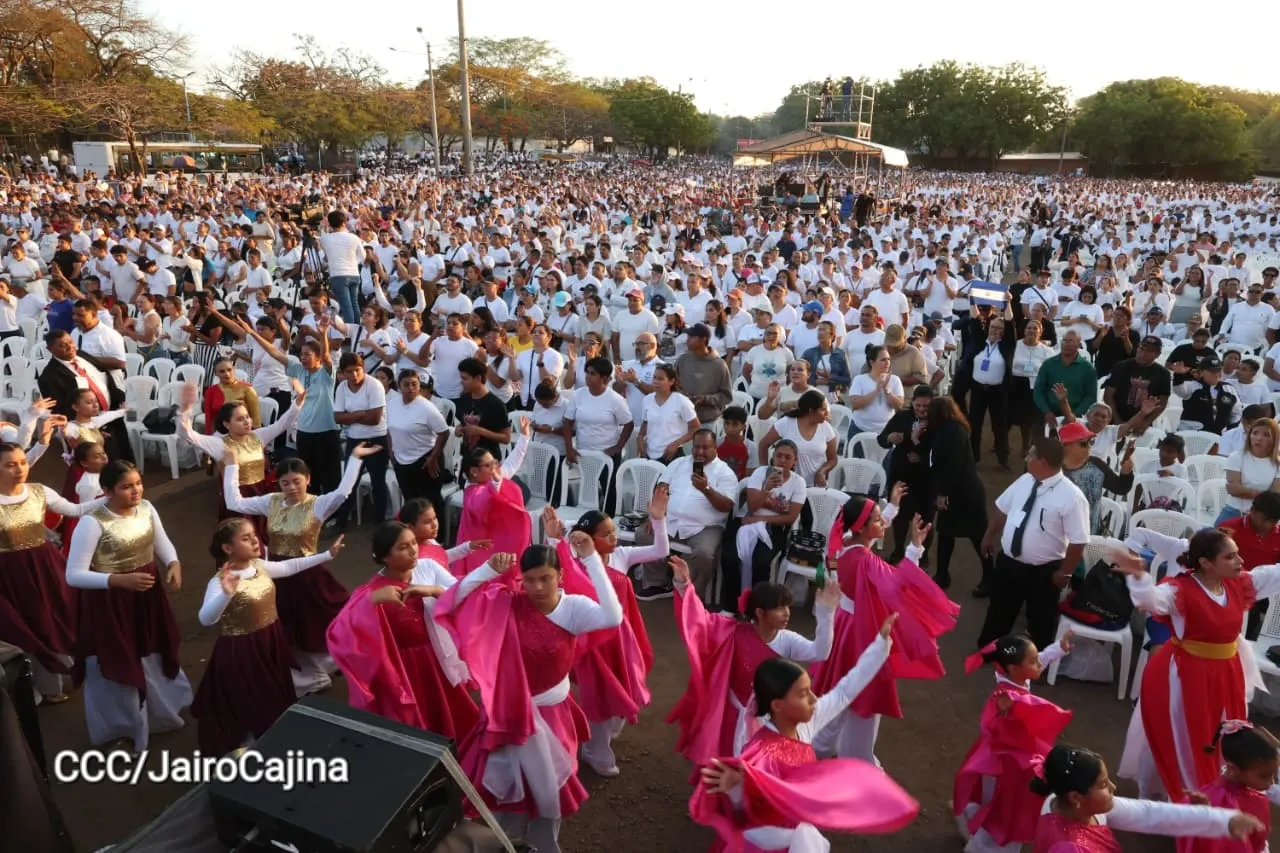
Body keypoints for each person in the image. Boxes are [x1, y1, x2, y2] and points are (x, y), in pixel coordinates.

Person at [433, 539, 623, 853]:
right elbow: (452, 603)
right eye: (529, 579)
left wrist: (591, 560)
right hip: (507, 712)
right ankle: (506, 844)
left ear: (560, 576)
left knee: (547, 792)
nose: (537, 587)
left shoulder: (573, 608)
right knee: (506, 785)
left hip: (552, 714)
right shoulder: (506, 602)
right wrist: (485, 570)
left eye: (545, 578)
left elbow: (612, 617)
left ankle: (544, 846)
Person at [689, 619, 920, 852]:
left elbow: (843, 692)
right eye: (802, 693)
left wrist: (880, 645)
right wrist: (736, 789)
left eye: (810, 689)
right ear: (778, 705)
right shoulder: (760, 753)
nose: (813, 698)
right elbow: (749, 813)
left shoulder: (805, 724)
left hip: (795, 832)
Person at [1113, 528, 1280, 801]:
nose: (1240, 561)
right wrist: (1138, 576)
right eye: (1231, 557)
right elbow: (1150, 600)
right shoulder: (1180, 589)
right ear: (1205, 562)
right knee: (1181, 734)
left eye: (1238, 555)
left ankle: (1216, 790)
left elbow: (1276, 573)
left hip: (1227, 673)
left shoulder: (1240, 582)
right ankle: (1181, 796)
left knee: (1220, 736)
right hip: (1185, 675)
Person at [810, 492, 958, 764]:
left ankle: (820, 750)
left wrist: (890, 508)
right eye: (877, 520)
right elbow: (899, 584)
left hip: (843, 625)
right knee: (863, 699)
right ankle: (858, 760)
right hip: (861, 632)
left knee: (838, 694)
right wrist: (915, 547)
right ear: (862, 527)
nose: (884, 524)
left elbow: (874, 532)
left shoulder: (842, 544)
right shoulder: (866, 561)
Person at [65, 461, 190, 750]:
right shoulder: (93, 522)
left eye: (138, 483)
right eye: (126, 486)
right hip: (109, 602)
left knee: (151, 650)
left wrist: (173, 563)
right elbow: (73, 574)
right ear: (107, 491)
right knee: (117, 657)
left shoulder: (146, 507)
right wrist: (117, 582)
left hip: (145, 595)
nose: (135, 491)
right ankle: (121, 725)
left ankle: (160, 713)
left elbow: (161, 542)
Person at [541, 495, 669, 778]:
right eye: (606, 534)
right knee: (599, 695)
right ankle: (596, 752)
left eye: (614, 531)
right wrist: (553, 541)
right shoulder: (574, 563)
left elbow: (661, 549)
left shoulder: (621, 556)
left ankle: (602, 736)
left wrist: (658, 519)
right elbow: (557, 567)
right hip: (592, 643)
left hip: (621, 639)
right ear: (586, 540)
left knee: (623, 691)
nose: (614, 537)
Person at [192, 519, 345, 756]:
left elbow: (288, 568)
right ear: (227, 548)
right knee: (251, 695)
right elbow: (205, 619)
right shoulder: (219, 581)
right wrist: (225, 594)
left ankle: (272, 734)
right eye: (245, 538)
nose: (255, 540)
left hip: (270, 639)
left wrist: (326, 555)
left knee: (275, 688)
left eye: (254, 535)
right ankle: (252, 744)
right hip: (242, 648)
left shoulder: (259, 566)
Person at [667, 562, 837, 770]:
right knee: (723, 765)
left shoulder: (787, 640)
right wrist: (684, 585)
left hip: (765, 719)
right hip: (731, 710)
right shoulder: (732, 631)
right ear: (759, 612)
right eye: (779, 608)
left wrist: (826, 615)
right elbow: (699, 620)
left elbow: (820, 652)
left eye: (787, 607)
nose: (787, 613)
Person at [326, 520, 479, 740]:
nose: (413, 551)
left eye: (413, 543)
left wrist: (435, 591)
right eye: (403, 547)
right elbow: (338, 631)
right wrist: (373, 600)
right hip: (401, 667)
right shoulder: (372, 590)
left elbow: (462, 598)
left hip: (433, 658)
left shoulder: (424, 573)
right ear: (384, 556)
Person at [954, 633, 1073, 853]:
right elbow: (989, 725)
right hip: (1000, 761)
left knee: (997, 801)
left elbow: (1040, 660)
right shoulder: (1004, 696)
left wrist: (1059, 648)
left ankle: (976, 825)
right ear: (1013, 668)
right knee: (1001, 806)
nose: (1039, 663)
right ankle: (982, 844)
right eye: (1032, 660)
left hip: (1009, 756)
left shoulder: (1015, 677)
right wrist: (1004, 714)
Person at [1031, 744, 1262, 852]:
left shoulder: (1071, 802)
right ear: (1075, 797)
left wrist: (1220, 820)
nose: (1113, 787)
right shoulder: (1068, 848)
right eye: (1102, 784)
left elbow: (1147, 814)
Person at [978, 436, 1089, 651]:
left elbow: (1078, 541)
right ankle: (989, 651)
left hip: (1044, 571)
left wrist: (1065, 573)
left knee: (1041, 619)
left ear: (1044, 461)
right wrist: (988, 535)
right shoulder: (1024, 481)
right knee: (999, 610)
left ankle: (1038, 662)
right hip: (1010, 562)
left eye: (1031, 455)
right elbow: (1003, 509)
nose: (1027, 458)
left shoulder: (1072, 497)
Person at [178, 380, 305, 544]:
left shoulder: (258, 436)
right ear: (226, 424)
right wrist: (186, 410)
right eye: (240, 419)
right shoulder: (220, 444)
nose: (247, 422)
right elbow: (188, 435)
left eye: (247, 417)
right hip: (236, 500)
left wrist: (298, 403)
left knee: (263, 539)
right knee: (241, 542)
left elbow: (282, 424)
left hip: (260, 496)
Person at [634, 429, 738, 601]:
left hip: (705, 526)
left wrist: (706, 489)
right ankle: (657, 583)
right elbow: (661, 488)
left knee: (705, 554)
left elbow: (726, 506)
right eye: (696, 447)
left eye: (705, 448)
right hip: (673, 520)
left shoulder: (725, 473)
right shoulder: (679, 464)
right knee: (644, 535)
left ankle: (693, 595)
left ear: (715, 448)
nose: (700, 452)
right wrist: (656, 516)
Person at [1178, 721, 1280, 853]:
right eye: (1264, 776)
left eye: (1273, 774)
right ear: (1233, 769)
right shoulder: (1225, 802)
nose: (1271, 782)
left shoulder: (1249, 784)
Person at [927, 396, 994, 595]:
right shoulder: (949, 428)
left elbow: (953, 467)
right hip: (958, 492)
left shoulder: (952, 432)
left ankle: (990, 578)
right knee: (946, 534)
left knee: (978, 537)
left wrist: (942, 494)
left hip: (965, 495)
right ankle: (942, 574)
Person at [453, 418, 532, 576]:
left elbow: (511, 463)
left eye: (495, 462)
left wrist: (524, 437)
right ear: (474, 471)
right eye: (489, 465)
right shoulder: (472, 492)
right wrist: (495, 484)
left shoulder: (492, 477)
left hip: (499, 542)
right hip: (481, 551)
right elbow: (480, 502)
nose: (495, 467)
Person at [734, 440, 806, 593]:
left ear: (795, 460)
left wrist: (758, 519)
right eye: (779, 456)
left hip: (776, 528)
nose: (782, 461)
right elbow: (752, 507)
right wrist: (767, 489)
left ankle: (760, 603)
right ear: (773, 457)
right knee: (732, 556)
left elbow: (790, 518)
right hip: (750, 524)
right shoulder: (760, 473)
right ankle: (736, 601)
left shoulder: (798, 483)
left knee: (761, 561)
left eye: (788, 457)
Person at [880, 387, 935, 563]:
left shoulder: (938, 422)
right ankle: (898, 552)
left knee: (925, 518)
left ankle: (923, 557)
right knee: (900, 517)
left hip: (925, 478)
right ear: (912, 402)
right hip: (901, 473)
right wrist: (890, 438)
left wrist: (922, 457)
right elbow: (881, 439)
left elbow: (942, 451)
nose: (921, 409)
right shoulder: (902, 417)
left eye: (926, 406)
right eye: (918, 405)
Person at [1057, 422, 1134, 535]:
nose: (1089, 446)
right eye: (1083, 443)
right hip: (1061, 537)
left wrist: (1126, 473)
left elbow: (1120, 488)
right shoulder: (1054, 471)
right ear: (1066, 446)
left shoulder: (1096, 465)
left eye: (1091, 441)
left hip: (1092, 535)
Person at [755, 390, 838, 487]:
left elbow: (833, 459)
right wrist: (765, 472)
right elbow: (763, 445)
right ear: (811, 411)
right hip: (786, 485)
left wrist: (822, 471)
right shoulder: (786, 423)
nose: (827, 413)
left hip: (813, 486)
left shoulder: (826, 428)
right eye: (823, 409)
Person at [1033, 331, 1098, 433]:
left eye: (1071, 341)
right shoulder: (1048, 364)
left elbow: (1090, 397)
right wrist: (1046, 411)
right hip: (1050, 413)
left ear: (1078, 344)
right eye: (1064, 341)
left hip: (1077, 415)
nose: (1066, 344)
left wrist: (1073, 415)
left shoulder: (1087, 368)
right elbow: (1038, 391)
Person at [1102, 336, 1172, 423]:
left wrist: (1145, 423)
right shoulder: (1120, 367)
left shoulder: (1163, 374)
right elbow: (1108, 396)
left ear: (1157, 354)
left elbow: (1162, 403)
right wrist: (1117, 421)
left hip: (1143, 422)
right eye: (1141, 348)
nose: (1143, 353)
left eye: (1149, 351)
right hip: (1116, 419)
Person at [1222, 418, 1280, 523]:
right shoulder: (1236, 457)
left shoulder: (1278, 463)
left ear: (1274, 439)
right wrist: (1264, 495)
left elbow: (1274, 496)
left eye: (1266, 435)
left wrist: (1245, 492)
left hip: (1264, 516)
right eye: (1255, 433)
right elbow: (1233, 489)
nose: (1258, 438)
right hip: (1235, 511)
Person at [675, 323, 733, 428]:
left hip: (708, 421)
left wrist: (706, 399)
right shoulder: (682, 360)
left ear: (704, 339)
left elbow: (726, 396)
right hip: (682, 420)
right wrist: (684, 396)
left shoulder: (719, 365)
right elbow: (674, 385)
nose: (688, 340)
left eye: (692, 337)